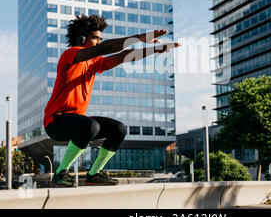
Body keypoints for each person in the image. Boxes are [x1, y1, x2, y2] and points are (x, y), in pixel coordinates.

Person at [44, 14, 180, 187]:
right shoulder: (70, 55)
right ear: (82, 37)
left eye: (101, 38)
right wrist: (138, 38)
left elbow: (124, 56)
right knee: (90, 126)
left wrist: (154, 50)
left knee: (118, 129)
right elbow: (105, 49)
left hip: (76, 122)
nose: (99, 42)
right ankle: (60, 173)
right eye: (95, 38)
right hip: (55, 121)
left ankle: (94, 175)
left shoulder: (94, 63)